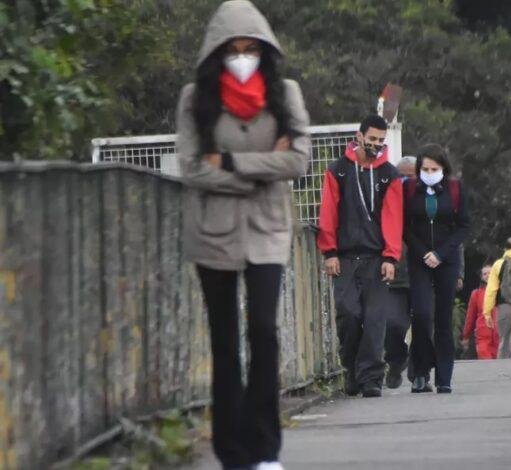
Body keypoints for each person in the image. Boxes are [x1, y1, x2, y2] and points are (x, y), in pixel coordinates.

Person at [176, 1, 310, 468]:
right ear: (216, 52)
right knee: (224, 340)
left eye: (251, 47)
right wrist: (260, 172)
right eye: (233, 48)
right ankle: (231, 451)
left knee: (264, 331)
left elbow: (298, 161)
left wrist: (232, 163)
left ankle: (265, 448)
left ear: (265, 49)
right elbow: (192, 168)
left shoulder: (284, 93)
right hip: (213, 233)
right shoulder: (195, 97)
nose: (242, 54)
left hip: (268, 230)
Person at [317, 114, 403, 398]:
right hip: (344, 257)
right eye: (373, 138)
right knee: (350, 315)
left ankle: (371, 378)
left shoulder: (389, 174)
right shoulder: (338, 170)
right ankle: (350, 370)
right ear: (360, 135)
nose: (376, 144)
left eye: (381, 140)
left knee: (375, 318)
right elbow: (328, 212)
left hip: (376, 258)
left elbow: (392, 218)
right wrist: (329, 251)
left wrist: (391, 257)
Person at [404, 144, 469, 393]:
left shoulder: (455, 189)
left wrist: (441, 253)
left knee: (443, 318)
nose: (429, 172)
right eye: (425, 168)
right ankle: (420, 371)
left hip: (446, 260)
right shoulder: (409, 190)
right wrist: (424, 253)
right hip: (419, 259)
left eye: (435, 168)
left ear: (444, 168)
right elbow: (404, 226)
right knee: (420, 315)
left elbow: (463, 226)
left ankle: (444, 376)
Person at [384, 156, 416, 389]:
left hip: (423, 274)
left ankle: (419, 365)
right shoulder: (385, 201)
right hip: (395, 277)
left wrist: (458, 272)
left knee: (425, 324)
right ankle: (396, 361)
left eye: (411, 176)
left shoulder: (431, 200)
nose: (405, 180)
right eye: (401, 175)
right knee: (393, 325)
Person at [461, 264, 500, 359]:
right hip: (483, 335)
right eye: (485, 274)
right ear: (481, 277)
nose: (487, 275)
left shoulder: (502, 291)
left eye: (490, 273)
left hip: (500, 335)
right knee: (486, 365)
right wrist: (466, 336)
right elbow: (470, 317)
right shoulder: (476, 294)